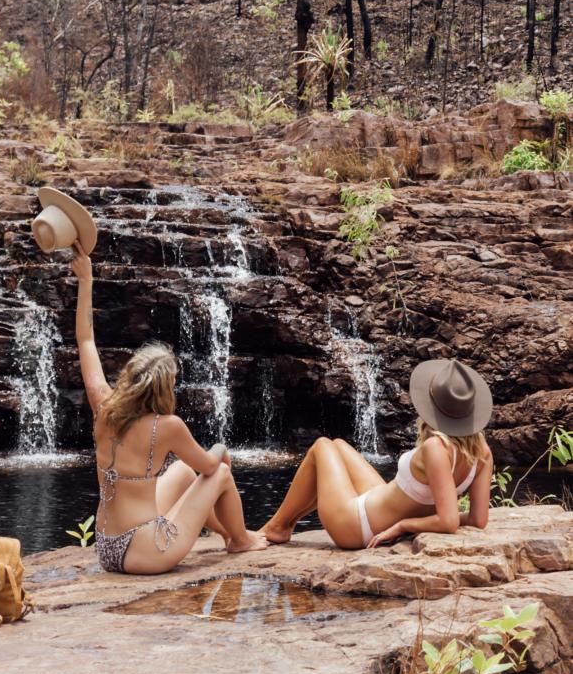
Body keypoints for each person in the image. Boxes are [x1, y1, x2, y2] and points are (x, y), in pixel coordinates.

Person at [71, 241, 267, 574]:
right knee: (218, 471)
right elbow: (209, 467)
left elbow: (85, 340)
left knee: (181, 472)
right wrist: (221, 448)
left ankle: (224, 533)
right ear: (165, 387)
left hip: (107, 548)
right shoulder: (168, 425)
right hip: (146, 553)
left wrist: (86, 281)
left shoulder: (102, 404)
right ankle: (240, 540)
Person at [261, 359, 493, 550]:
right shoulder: (483, 452)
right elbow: (477, 520)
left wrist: (404, 525)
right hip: (376, 504)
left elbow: (449, 521)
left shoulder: (436, 448)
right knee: (339, 445)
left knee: (322, 446)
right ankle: (286, 524)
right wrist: (430, 518)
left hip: (357, 527)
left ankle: (277, 527)